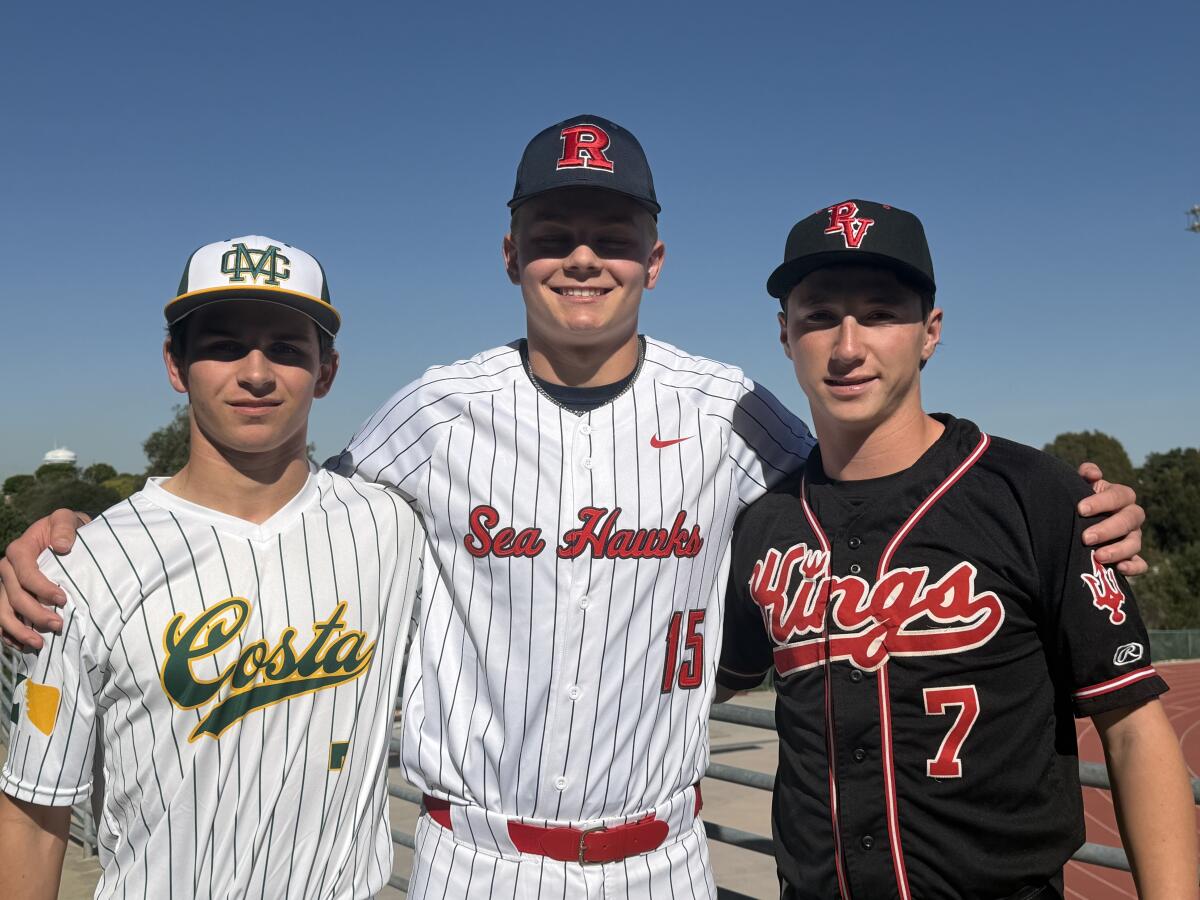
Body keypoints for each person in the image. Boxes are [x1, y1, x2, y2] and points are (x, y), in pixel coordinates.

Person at [0, 123, 1146, 897]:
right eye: (553, 235)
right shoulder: (432, 412)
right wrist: (77, 534)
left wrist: (1072, 504)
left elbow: (880, 468)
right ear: (510, 255)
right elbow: (276, 501)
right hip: (473, 858)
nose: (581, 257)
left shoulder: (738, 414)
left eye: (612, 235)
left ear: (657, 256)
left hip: (666, 855)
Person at [716, 200, 1195, 899]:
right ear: (786, 335)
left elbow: (1133, 729)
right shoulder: (764, 524)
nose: (847, 346)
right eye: (819, 316)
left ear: (930, 333)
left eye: (880, 313)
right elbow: (708, 681)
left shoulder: (1039, 496)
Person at [0, 237, 424, 899]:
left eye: (286, 349)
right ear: (176, 364)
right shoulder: (88, 564)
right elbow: (33, 811)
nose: (256, 373)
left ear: (327, 371)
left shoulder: (392, 526)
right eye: (224, 346)